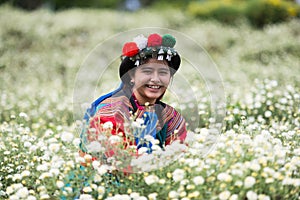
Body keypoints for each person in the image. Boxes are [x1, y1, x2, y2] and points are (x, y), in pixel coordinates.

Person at [79, 33, 187, 166]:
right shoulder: (111, 112)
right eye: (147, 71)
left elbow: (180, 160)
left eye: (163, 72)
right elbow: (119, 162)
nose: (156, 79)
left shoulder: (171, 117)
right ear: (131, 75)